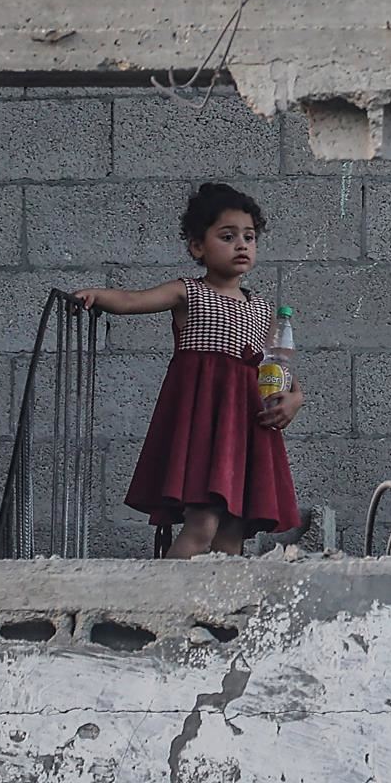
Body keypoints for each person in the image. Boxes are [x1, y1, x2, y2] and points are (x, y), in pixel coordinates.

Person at [75, 183, 303, 557]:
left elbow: (279, 366)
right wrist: (97, 296)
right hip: (204, 426)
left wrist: (296, 399)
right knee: (202, 525)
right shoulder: (189, 292)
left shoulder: (263, 309)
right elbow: (133, 300)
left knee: (232, 532)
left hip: (245, 427)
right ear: (198, 247)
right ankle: (162, 604)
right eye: (227, 237)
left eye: (249, 237)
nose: (241, 245)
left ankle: (221, 612)